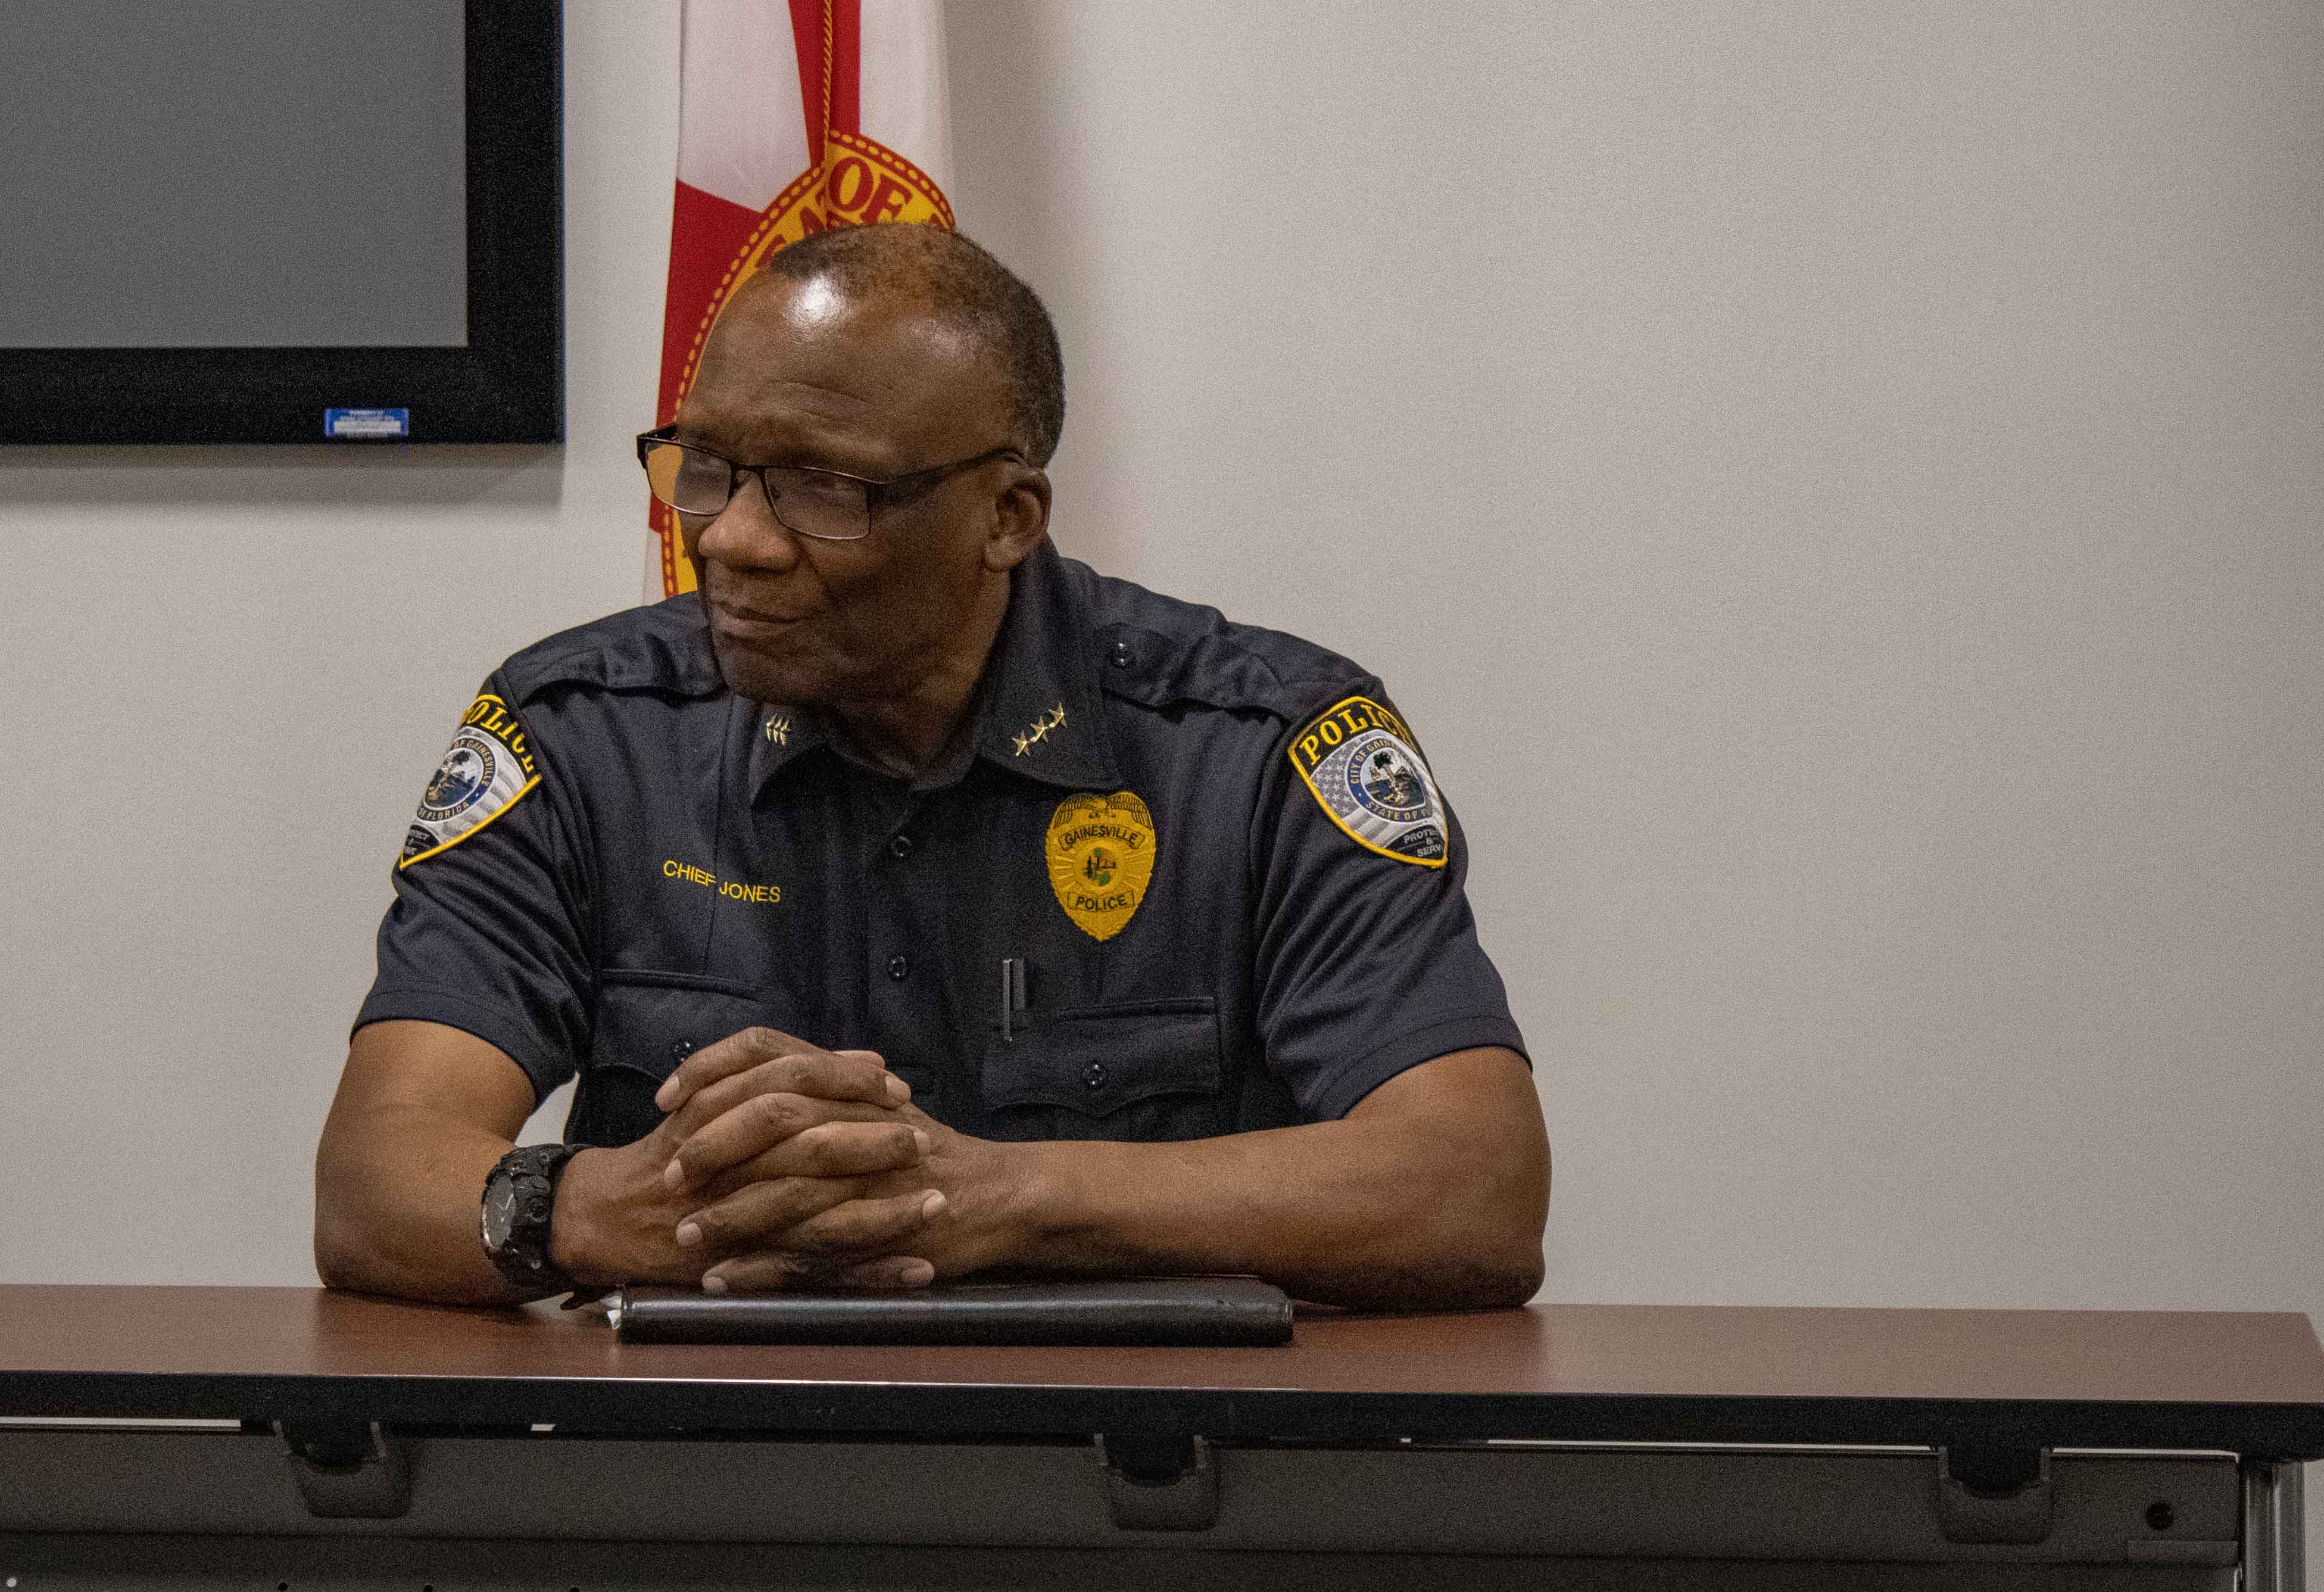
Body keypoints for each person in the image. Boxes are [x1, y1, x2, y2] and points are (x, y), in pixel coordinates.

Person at [314, 225, 1548, 1310]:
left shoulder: (1261, 748)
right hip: (692, 1482)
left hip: (1150, 1491)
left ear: (1006, 517)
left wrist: (1000, 1198)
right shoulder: (584, 737)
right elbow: (377, 1178)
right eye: (704, 466)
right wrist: (600, 1213)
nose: (729, 542)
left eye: (819, 488)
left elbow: (1469, 1188)